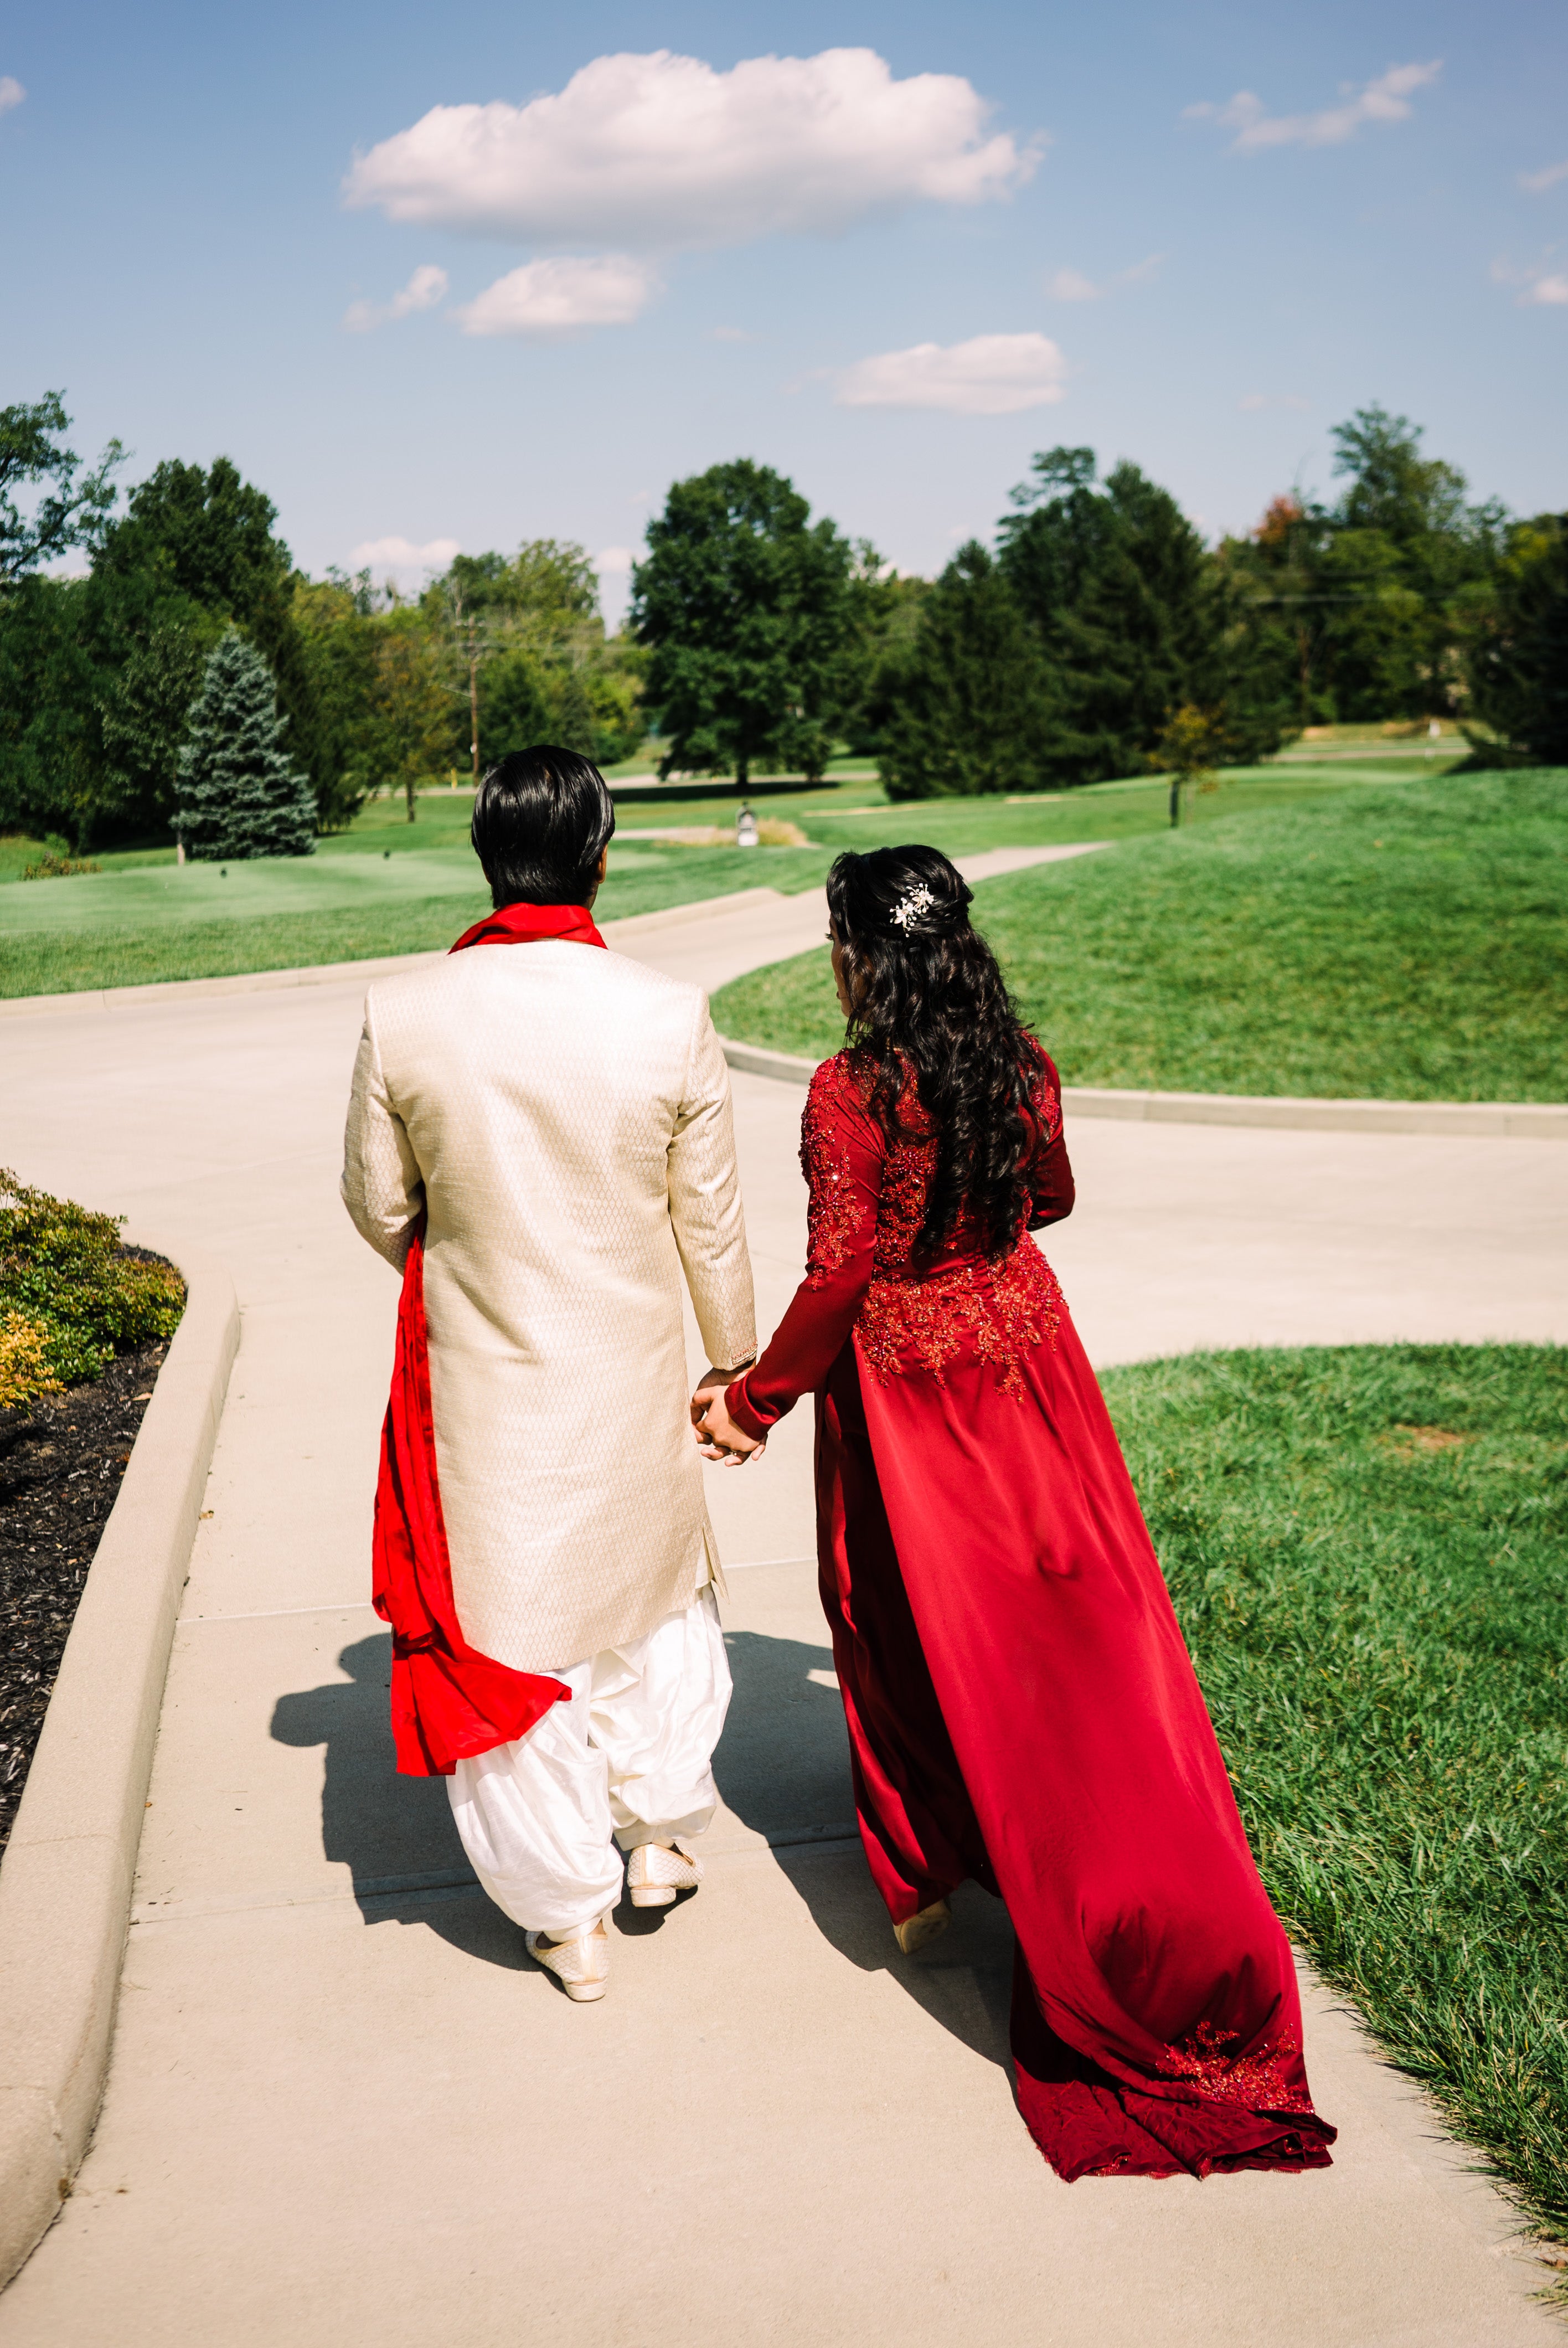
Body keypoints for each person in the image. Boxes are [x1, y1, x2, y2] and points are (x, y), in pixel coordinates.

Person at [693, 845, 1336, 2179]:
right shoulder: (1018, 1058)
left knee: (902, 1614)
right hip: (1031, 1361)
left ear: (863, 954)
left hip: (914, 1398)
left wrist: (751, 1403)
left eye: (835, 940)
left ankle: (936, 1869)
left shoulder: (846, 1091)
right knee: (1076, 1633)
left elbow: (838, 1274)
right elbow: (1052, 1197)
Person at [342, 746, 759, 2004]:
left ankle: (564, 1919)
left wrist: (470, 1254)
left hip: (486, 1388)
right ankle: (654, 1839)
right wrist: (732, 1363)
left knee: (520, 1641)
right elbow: (715, 1224)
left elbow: (375, 1204)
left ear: (484, 853)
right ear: (601, 854)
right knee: (644, 1608)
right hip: (628, 1377)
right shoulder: (667, 1012)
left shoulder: (402, 1013)